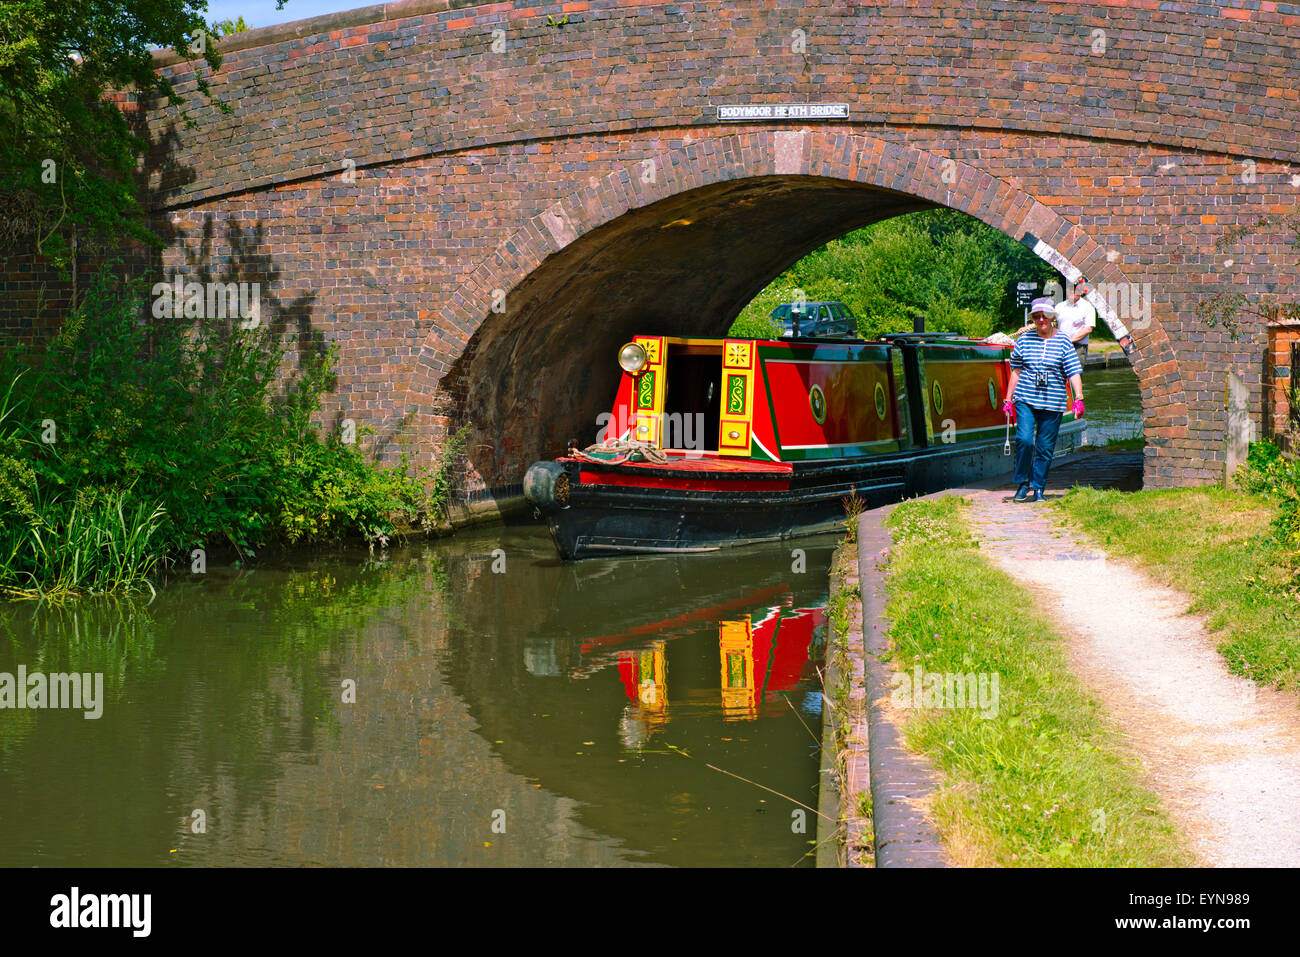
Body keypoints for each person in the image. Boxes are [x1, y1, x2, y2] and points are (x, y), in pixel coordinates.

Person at [1002, 297, 1084, 503]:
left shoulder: (1064, 341)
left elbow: (1073, 371)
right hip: (1025, 399)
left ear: (1052, 317)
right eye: (1037, 316)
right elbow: (1016, 370)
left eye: (1044, 316)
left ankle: (1038, 487)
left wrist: (1079, 398)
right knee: (1024, 439)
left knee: (1045, 447)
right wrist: (1008, 399)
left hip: (1053, 401)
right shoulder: (1024, 340)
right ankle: (1022, 484)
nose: (1041, 320)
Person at [1055, 279, 1097, 368]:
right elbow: (1051, 323)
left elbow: (1088, 328)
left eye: (1075, 289)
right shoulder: (1059, 306)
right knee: (1058, 375)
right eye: (1070, 289)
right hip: (1060, 346)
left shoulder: (1088, 307)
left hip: (1078, 347)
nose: (1072, 292)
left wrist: (1069, 341)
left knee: (1075, 376)